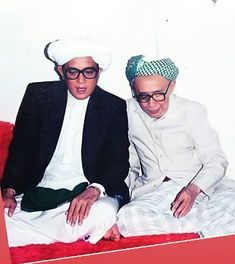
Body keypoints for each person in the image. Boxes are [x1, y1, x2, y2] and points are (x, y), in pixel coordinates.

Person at [1, 38, 130, 246]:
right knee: (4, 212)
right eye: (73, 72)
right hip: (40, 188)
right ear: (61, 71)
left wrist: (94, 190)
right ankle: (78, 231)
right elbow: (21, 149)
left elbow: (118, 162)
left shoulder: (113, 106)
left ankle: (29, 231)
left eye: (89, 72)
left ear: (98, 72)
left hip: (87, 190)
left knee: (103, 211)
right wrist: (9, 191)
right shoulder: (39, 96)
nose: (81, 81)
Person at [104, 55, 235, 241]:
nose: (151, 104)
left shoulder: (191, 111)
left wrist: (193, 189)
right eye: (143, 96)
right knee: (127, 218)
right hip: (156, 191)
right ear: (134, 89)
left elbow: (216, 160)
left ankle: (194, 228)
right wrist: (123, 199)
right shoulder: (126, 112)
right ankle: (209, 229)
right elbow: (129, 165)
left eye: (158, 94)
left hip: (199, 187)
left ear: (171, 86)